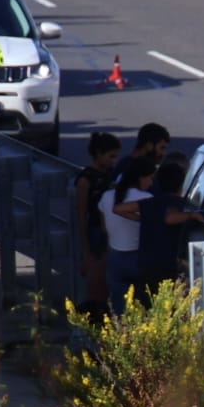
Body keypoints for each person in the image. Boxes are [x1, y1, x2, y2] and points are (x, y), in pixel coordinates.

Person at [100, 154, 156, 312]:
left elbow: (104, 228)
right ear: (140, 177)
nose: (151, 183)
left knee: (120, 310)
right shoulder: (147, 198)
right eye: (150, 178)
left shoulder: (106, 196)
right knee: (144, 309)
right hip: (140, 258)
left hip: (115, 258)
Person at [137, 152, 196, 296]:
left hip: (145, 263)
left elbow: (119, 209)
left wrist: (142, 218)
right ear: (182, 185)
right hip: (166, 265)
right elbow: (169, 218)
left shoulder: (149, 201)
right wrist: (193, 215)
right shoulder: (177, 203)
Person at [74, 130, 121, 314]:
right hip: (96, 232)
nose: (113, 161)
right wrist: (86, 251)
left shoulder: (113, 175)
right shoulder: (86, 180)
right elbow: (81, 214)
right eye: (111, 156)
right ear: (99, 153)